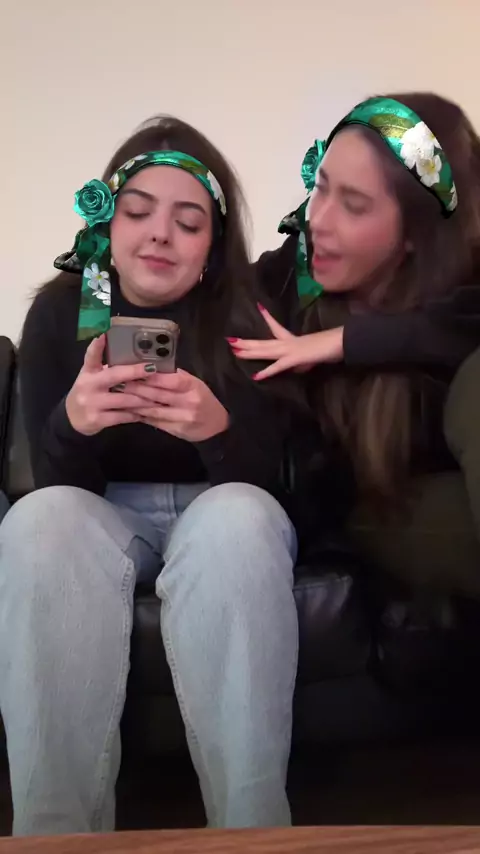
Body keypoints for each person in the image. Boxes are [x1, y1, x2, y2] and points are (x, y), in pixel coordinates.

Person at [0, 117, 299, 835]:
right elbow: (57, 485)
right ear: (108, 224)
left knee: (241, 517)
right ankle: (54, 837)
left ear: (212, 246)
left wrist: (219, 432)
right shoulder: (63, 311)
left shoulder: (249, 316)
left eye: (187, 222)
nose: (160, 234)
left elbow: (282, 486)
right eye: (137, 213)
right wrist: (73, 424)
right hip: (102, 511)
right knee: (38, 520)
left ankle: (253, 833)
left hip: (221, 506)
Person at [233, 93, 480, 596]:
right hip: (373, 511)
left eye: (354, 205)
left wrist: (345, 342)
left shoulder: (461, 289)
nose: (318, 220)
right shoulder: (289, 279)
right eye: (320, 188)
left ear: (416, 234)